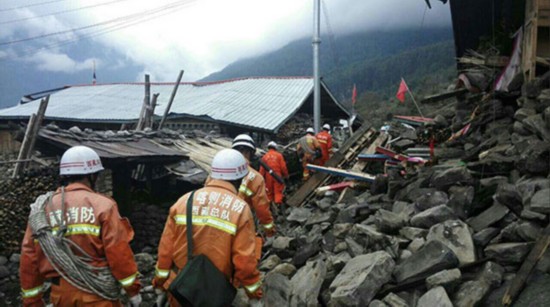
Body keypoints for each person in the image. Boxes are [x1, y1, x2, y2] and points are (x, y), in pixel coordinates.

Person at [20, 146, 141, 307]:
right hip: (97, 295)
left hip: (60, 295)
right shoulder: (104, 206)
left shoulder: (42, 209)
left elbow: (30, 256)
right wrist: (132, 290)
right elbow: (118, 252)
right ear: (93, 175)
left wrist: (32, 300)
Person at [153, 149, 262, 306]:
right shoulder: (240, 210)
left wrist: (159, 284)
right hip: (214, 294)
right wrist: (254, 295)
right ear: (239, 179)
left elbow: (165, 252)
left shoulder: (184, 201)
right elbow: (245, 263)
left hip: (181, 291)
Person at [230, 134, 275, 237]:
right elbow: (261, 208)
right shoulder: (255, 178)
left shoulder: (216, 172)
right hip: (240, 224)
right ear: (250, 152)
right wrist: (269, 229)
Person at [259, 141, 289, 213]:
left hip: (268, 176)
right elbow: (283, 167)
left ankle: (270, 209)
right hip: (277, 176)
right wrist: (286, 175)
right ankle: (278, 208)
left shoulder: (264, 157)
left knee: (269, 192)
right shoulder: (279, 155)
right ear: (275, 148)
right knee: (278, 192)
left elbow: (262, 170)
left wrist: (261, 179)